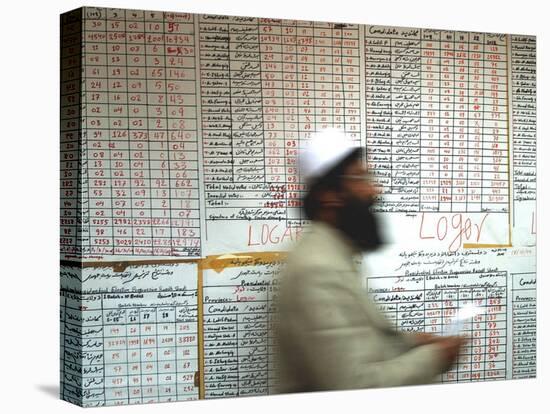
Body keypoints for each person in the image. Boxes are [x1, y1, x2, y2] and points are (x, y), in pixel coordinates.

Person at [275, 129, 466, 393]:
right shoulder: (317, 269)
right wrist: (435, 358)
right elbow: (353, 385)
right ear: (329, 196)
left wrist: (411, 343)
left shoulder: (334, 253)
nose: (375, 190)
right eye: (361, 177)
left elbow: (354, 339)